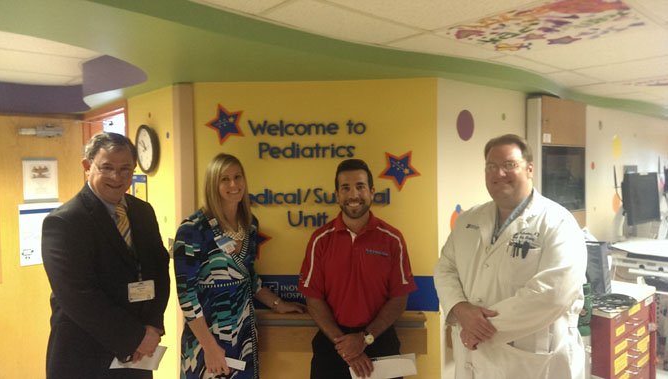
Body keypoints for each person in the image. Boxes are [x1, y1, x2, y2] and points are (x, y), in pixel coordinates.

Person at [434, 134, 587, 379]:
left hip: (531, 361)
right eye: (491, 167)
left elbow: (553, 293)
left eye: (509, 165)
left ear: (529, 169)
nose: (499, 174)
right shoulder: (468, 221)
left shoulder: (558, 222)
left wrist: (479, 328)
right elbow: (445, 268)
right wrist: (461, 309)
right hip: (472, 357)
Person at [42, 132, 171, 379]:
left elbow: (159, 270)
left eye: (125, 169)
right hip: (84, 356)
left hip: (138, 356)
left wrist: (153, 327)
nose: (117, 177)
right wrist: (135, 337)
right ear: (87, 166)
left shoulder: (142, 212)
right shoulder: (64, 221)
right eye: (107, 167)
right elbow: (77, 296)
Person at [173, 153, 306, 379]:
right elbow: (187, 296)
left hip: (243, 334)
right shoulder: (192, 230)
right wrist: (209, 347)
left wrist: (277, 303)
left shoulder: (250, 225)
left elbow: (250, 278)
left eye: (237, 177)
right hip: (208, 337)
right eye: (224, 179)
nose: (233, 184)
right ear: (212, 184)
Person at [298, 158, 417, 379]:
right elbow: (313, 300)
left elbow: (399, 299)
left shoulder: (392, 239)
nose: (353, 195)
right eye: (346, 188)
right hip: (333, 344)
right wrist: (346, 347)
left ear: (372, 192)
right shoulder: (320, 240)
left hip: (379, 341)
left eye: (360, 187)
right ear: (337, 195)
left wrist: (364, 339)